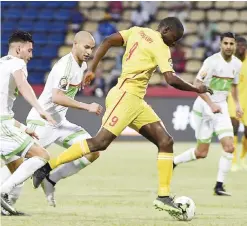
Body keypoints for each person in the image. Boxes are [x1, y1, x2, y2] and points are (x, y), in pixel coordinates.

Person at [32, 17, 212, 219]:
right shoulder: (161, 46)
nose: (175, 42)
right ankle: (47, 167)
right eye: (175, 37)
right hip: (125, 98)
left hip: (135, 101)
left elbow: (108, 40)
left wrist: (92, 68)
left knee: (166, 141)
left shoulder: (137, 31)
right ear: (166, 30)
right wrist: (196, 89)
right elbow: (170, 79)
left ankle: (163, 196)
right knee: (99, 143)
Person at [0, 31, 103, 211]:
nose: (89, 51)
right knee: (20, 164)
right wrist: (87, 107)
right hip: (42, 122)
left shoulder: (83, 65)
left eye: (92, 48)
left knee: (92, 150)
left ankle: (51, 179)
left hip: (59, 122)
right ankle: (6, 199)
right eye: (86, 47)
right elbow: (57, 97)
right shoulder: (64, 66)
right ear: (75, 44)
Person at [173, 32, 243, 196]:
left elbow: (233, 86)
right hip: (204, 106)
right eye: (225, 43)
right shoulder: (211, 62)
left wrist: (238, 105)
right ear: (220, 45)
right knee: (201, 153)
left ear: (235, 46)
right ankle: (173, 162)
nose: (228, 46)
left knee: (229, 147)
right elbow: (197, 84)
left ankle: (219, 186)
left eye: (231, 44)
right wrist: (210, 104)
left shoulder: (237, 64)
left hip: (221, 108)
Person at [0, 31, 56, 215]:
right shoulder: (18, 63)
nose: (31, 56)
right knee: (41, 155)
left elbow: (4, 111)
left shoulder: (2, 63)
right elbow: (23, 85)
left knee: (17, 167)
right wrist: (40, 109)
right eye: (29, 51)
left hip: (4, 122)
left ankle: (6, 210)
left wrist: (24, 128)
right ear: (18, 48)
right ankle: (3, 192)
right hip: (2, 125)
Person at [228, 37, 247, 171]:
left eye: (243, 45)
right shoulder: (230, 62)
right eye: (238, 44)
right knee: (234, 127)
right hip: (233, 99)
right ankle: (233, 160)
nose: (241, 47)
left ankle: (243, 158)